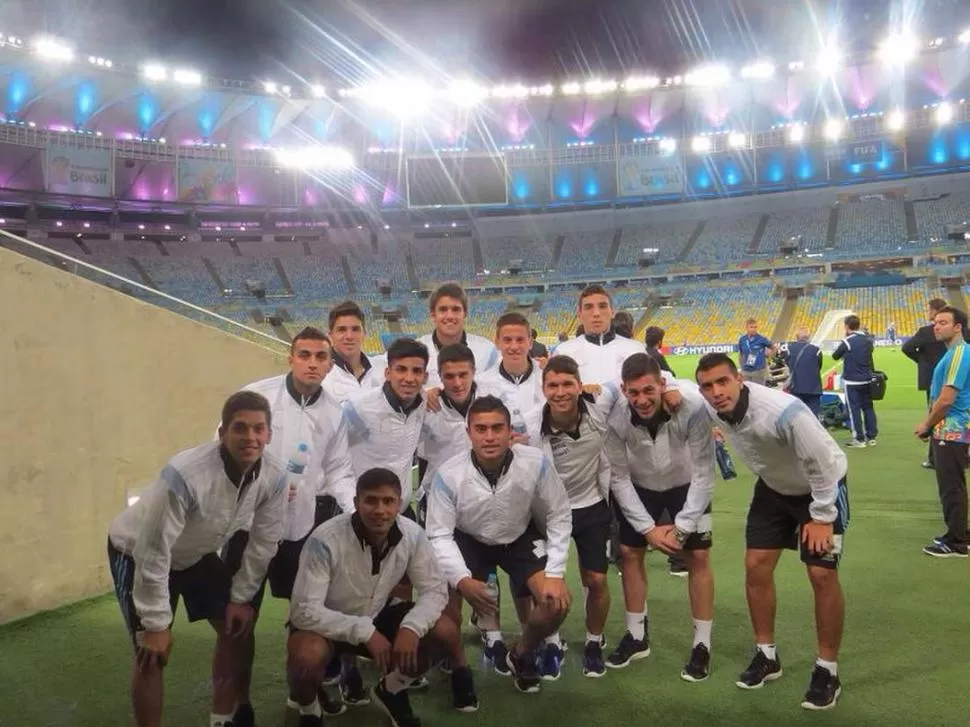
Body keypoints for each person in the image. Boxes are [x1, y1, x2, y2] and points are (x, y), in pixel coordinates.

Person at [107, 391, 286, 727]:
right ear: (222, 434)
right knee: (151, 654)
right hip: (135, 551)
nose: (250, 437)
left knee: (236, 629)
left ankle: (222, 719)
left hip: (196, 554)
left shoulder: (274, 476)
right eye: (240, 428)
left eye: (258, 429)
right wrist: (156, 624)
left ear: (269, 434)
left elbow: (264, 542)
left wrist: (241, 598)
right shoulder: (187, 473)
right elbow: (154, 549)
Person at [694, 353, 848, 711]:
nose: (716, 392)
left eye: (722, 382)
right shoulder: (711, 407)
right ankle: (767, 656)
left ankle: (827, 670)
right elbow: (680, 391)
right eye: (707, 386)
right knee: (756, 566)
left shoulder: (783, 411)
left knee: (822, 574)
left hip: (821, 486)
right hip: (773, 487)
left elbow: (822, 464)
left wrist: (822, 516)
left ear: (739, 380)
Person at [286, 468, 478, 727]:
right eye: (371, 500)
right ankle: (310, 711)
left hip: (376, 613)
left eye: (388, 501)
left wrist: (411, 628)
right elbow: (304, 611)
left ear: (399, 504)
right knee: (306, 659)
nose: (380, 510)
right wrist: (366, 633)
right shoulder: (325, 539)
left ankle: (391, 689)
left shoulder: (413, 535)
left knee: (445, 631)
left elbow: (434, 591)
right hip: (325, 624)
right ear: (356, 503)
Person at [235, 328, 357, 722]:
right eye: (304, 354)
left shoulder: (335, 412)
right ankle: (238, 704)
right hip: (248, 529)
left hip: (299, 529)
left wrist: (357, 509)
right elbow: (226, 451)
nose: (312, 363)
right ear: (290, 357)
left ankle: (303, 690)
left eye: (320, 357)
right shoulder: (257, 397)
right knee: (239, 619)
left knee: (303, 615)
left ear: (330, 363)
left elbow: (338, 469)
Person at [425, 396, 573, 695]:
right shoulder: (448, 474)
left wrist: (555, 574)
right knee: (445, 604)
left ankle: (520, 652)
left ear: (510, 431)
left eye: (497, 428)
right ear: (469, 433)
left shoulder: (535, 463)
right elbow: (439, 535)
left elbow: (559, 513)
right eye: (481, 429)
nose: (489, 437)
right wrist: (463, 580)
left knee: (557, 603)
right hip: (469, 539)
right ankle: (457, 667)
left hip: (518, 536)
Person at [604, 354, 716, 682]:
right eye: (633, 392)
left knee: (698, 556)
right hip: (641, 489)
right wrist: (648, 529)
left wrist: (681, 529)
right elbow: (619, 478)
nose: (642, 399)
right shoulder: (616, 419)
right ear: (624, 390)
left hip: (687, 487)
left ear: (662, 384)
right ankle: (637, 635)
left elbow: (705, 475)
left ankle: (702, 644)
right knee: (629, 554)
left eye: (648, 390)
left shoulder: (691, 408)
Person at [523, 356, 620, 679]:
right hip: (549, 514)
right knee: (549, 589)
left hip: (591, 506)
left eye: (568, 384)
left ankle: (594, 642)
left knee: (597, 580)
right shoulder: (531, 423)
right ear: (544, 388)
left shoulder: (599, 403)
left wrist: (673, 386)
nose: (561, 391)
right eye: (553, 385)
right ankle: (551, 642)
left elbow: (634, 378)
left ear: (580, 385)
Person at [341, 338, 429, 517]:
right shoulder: (360, 407)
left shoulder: (424, 402)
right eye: (401, 370)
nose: (409, 378)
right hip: (366, 512)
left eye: (417, 371)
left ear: (425, 377)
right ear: (388, 373)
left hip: (401, 508)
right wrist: (351, 508)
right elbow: (330, 454)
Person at [914, 306, 970, 558]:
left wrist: (927, 424)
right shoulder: (954, 354)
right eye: (936, 322)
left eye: (943, 322)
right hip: (951, 429)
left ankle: (956, 541)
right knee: (953, 484)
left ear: (958, 327)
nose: (937, 326)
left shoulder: (959, 353)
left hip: (952, 430)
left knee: (951, 486)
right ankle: (960, 533)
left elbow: (947, 399)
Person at [416, 343, 478, 524]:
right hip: (438, 502)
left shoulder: (492, 402)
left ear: (474, 371)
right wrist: (421, 395)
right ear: (440, 377)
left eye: (463, 375)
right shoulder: (425, 408)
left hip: (481, 500)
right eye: (449, 376)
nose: (457, 383)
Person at [554, 285, 645, 384]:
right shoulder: (564, 352)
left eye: (602, 306)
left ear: (612, 312)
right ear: (579, 314)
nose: (596, 313)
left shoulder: (635, 349)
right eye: (588, 307)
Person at [417, 283, 499, 388]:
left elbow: (499, 388)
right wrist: (424, 394)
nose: (450, 316)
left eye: (456, 309)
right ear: (433, 314)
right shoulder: (416, 351)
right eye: (443, 309)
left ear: (465, 313)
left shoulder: (487, 350)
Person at [476, 312, 546, 434]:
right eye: (507, 340)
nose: (514, 346)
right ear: (497, 343)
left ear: (530, 343)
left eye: (520, 340)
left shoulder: (546, 379)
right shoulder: (482, 384)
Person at [903, 298, 949, 468]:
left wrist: (923, 361)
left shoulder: (926, 331)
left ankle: (934, 458)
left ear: (935, 310)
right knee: (958, 413)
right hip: (955, 375)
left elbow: (906, 348)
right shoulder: (960, 330)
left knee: (935, 415)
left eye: (929, 310)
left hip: (933, 378)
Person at [323, 301, 387, 404]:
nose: (349, 336)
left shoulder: (383, 370)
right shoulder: (322, 378)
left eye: (355, 329)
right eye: (342, 330)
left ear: (364, 334)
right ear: (330, 335)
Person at [832, 315, 877, 447]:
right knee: (868, 407)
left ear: (847, 326)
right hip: (867, 379)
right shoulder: (867, 340)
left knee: (854, 409)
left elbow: (835, 356)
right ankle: (871, 436)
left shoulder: (847, 341)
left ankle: (859, 439)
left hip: (852, 381)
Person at [784, 328, 824, 418]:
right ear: (808, 337)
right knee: (813, 417)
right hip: (814, 388)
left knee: (797, 416)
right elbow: (819, 365)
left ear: (797, 337)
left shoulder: (789, 349)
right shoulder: (816, 349)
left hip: (796, 387)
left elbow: (788, 364)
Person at [737, 318, 777, 386]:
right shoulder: (742, 339)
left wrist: (769, 356)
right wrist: (742, 367)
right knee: (747, 391)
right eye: (751, 327)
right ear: (746, 327)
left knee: (759, 392)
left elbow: (773, 348)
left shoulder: (762, 339)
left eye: (755, 327)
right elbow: (741, 354)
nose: (754, 329)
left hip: (759, 371)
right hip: (746, 371)